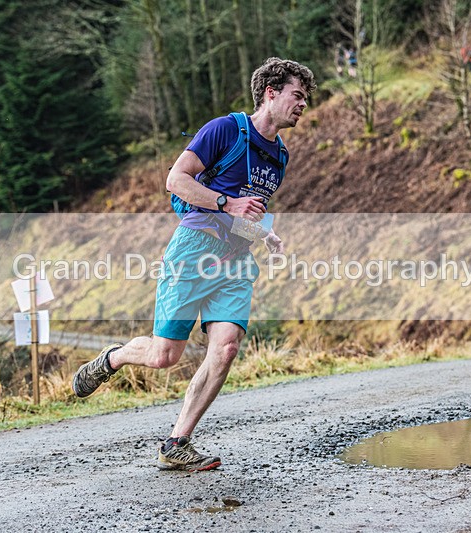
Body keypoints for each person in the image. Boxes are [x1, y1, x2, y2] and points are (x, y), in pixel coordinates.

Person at [71, 57, 316, 472]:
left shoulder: (280, 156)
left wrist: (265, 233)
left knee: (226, 348)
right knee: (165, 356)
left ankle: (177, 442)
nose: (303, 104)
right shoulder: (225, 129)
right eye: (297, 95)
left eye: (306, 99)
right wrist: (226, 202)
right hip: (194, 249)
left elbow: (249, 212)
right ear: (271, 93)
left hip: (236, 260)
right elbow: (176, 179)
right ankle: (112, 358)